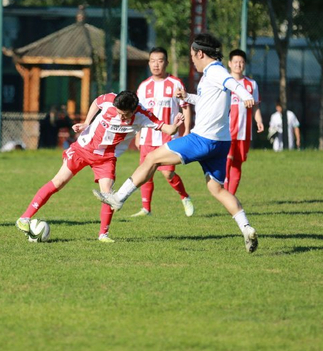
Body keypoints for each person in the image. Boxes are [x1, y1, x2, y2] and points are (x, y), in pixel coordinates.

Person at [93, 32, 259, 253]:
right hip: (221, 142)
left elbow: (232, 83)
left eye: (192, 55)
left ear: (200, 53)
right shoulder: (211, 74)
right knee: (216, 188)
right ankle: (246, 227)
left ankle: (118, 198)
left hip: (202, 139)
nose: (192, 60)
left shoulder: (215, 71)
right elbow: (209, 100)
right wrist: (187, 97)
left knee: (152, 158)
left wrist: (245, 94)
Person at [16, 90, 184, 243]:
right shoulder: (110, 99)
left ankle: (103, 234)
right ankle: (24, 218)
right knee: (58, 182)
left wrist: (176, 125)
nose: (121, 117)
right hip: (83, 148)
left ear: (134, 110)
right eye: (118, 113)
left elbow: (168, 129)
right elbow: (97, 102)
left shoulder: (143, 115)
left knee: (108, 195)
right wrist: (86, 123)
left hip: (106, 158)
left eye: (125, 115)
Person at [132, 47, 195, 218]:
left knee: (168, 173)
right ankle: (146, 209)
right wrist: (138, 135)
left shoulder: (175, 83)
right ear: (149, 63)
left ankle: (185, 197)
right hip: (147, 137)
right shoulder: (143, 87)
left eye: (160, 61)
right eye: (153, 61)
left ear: (166, 62)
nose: (156, 64)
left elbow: (185, 107)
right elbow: (138, 114)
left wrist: (187, 130)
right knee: (145, 173)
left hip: (168, 137)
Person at [224, 49, 264, 194]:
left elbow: (255, 106)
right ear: (229, 63)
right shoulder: (224, 83)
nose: (238, 65)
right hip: (226, 131)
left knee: (237, 164)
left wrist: (259, 120)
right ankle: (224, 194)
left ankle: (230, 197)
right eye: (235, 62)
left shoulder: (251, 84)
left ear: (245, 64)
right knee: (226, 161)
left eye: (241, 62)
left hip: (243, 132)